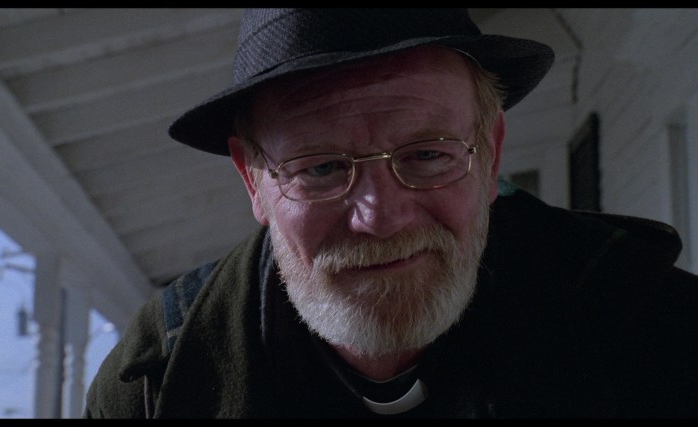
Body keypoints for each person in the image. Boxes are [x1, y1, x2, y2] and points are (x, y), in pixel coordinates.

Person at [84, 8, 698, 418]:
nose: (380, 218)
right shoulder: (152, 388)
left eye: (428, 155)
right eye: (321, 167)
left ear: (490, 155)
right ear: (254, 181)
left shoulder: (665, 337)